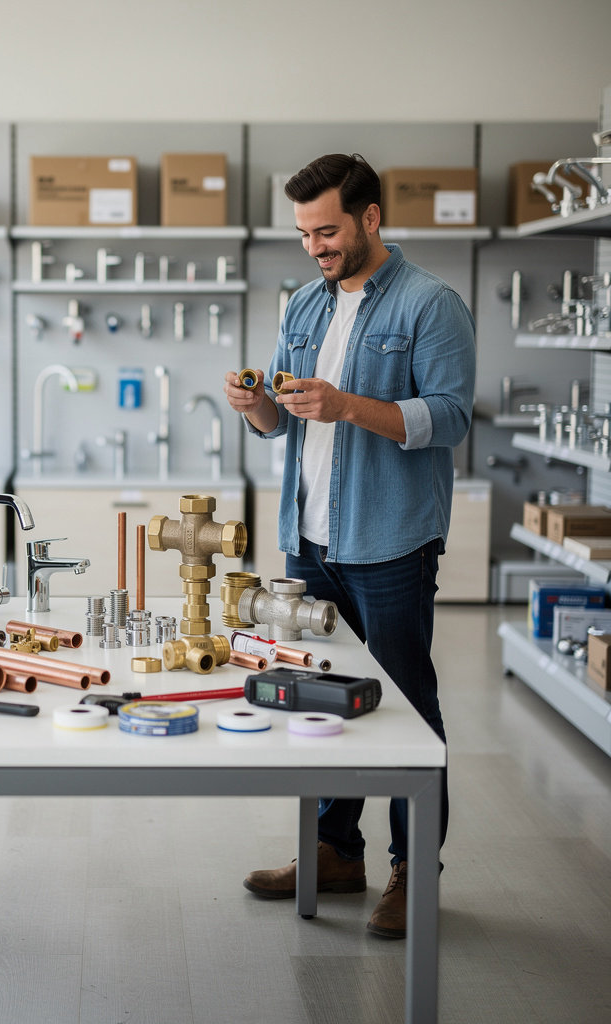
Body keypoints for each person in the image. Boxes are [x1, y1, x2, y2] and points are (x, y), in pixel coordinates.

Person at [223, 153, 475, 939]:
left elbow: (450, 417)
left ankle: (411, 871)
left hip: (392, 541)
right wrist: (257, 405)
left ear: (370, 219)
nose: (315, 247)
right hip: (313, 541)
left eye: (327, 230)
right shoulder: (303, 303)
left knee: (405, 706)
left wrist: (347, 406)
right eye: (304, 233)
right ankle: (334, 850)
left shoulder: (433, 305)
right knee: (318, 701)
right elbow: (283, 427)